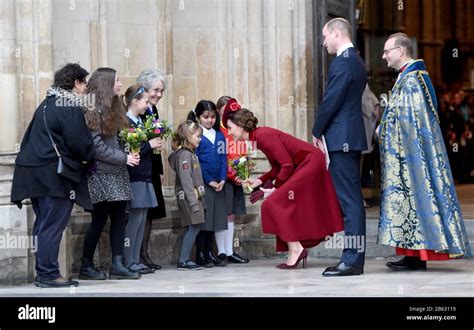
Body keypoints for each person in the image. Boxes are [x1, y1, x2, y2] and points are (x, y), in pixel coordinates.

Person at [377, 33, 471, 270]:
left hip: (411, 155)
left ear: (401, 50)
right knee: (412, 203)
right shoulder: (408, 77)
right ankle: (413, 255)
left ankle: (417, 256)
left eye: (387, 51)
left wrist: (384, 127)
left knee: (417, 199)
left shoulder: (411, 80)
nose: (383, 56)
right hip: (409, 155)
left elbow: (409, 120)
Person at [224, 107, 344, 269]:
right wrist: (259, 182)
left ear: (240, 125)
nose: (229, 132)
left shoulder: (263, 135)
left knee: (273, 203)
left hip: (310, 162)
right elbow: (277, 168)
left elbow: (286, 165)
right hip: (305, 163)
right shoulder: (258, 137)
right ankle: (296, 248)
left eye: (230, 128)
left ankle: (297, 249)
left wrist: (275, 188)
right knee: (281, 204)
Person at [11, 63, 94, 288]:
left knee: (43, 224)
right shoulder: (67, 103)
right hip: (54, 176)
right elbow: (80, 143)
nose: (86, 89)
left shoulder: (47, 103)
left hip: (35, 174)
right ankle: (48, 274)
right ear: (76, 83)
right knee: (52, 225)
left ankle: (44, 272)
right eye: (84, 83)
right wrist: (90, 155)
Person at [312, 17, 368, 276]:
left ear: (336, 33)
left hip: (342, 139)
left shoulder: (344, 62)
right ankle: (352, 259)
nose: (323, 43)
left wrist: (316, 130)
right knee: (351, 200)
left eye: (325, 37)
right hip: (347, 137)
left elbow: (331, 99)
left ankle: (352, 260)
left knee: (350, 202)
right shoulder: (354, 59)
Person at [80, 68, 140, 280]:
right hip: (101, 175)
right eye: (117, 80)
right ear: (106, 83)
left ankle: (118, 263)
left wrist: (129, 152)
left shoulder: (114, 108)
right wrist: (124, 158)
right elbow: (96, 147)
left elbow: (114, 142)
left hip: (118, 174)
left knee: (119, 219)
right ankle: (86, 265)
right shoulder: (93, 110)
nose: (120, 84)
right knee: (99, 220)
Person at [123, 85, 162, 274]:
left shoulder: (139, 121)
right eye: (145, 101)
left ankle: (136, 259)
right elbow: (129, 149)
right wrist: (150, 144)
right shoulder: (125, 122)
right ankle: (129, 260)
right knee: (135, 219)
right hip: (134, 176)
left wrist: (153, 145)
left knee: (142, 217)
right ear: (134, 101)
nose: (148, 105)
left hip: (145, 175)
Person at [188, 100, 228, 267]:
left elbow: (223, 159)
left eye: (212, 117)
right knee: (204, 221)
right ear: (198, 117)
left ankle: (210, 252)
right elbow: (195, 161)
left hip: (218, 184)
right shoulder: (196, 135)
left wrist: (223, 179)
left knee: (214, 220)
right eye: (205, 117)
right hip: (204, 184)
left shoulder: (219, 135)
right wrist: (209, 181)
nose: (209, 120)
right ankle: (201, 253)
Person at [137, 69, 167, 270]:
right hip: (138, 167)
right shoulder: (135, 108)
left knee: (151, 213)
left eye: (161, 91)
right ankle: (136, 255)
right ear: (144, 88)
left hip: (152, 167)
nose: (159, 94)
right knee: (139, 214)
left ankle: (144, 254)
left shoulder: (153, 110)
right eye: (156, 90)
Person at [215, 96, 250, 264]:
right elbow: (222, 156)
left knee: (231, 214)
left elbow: (243, 151)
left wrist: (244, 172)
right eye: (224, 112)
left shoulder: (238, 130)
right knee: (223, 213)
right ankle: (221, 251)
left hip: (237, 177)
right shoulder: (220, 131)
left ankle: (229, 250)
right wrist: (231, 174)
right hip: (225, 177)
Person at [168, 120, 206, 270]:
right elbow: (186, 182)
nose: (200, 139)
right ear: (189, 136)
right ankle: (183, 260)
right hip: (190, 198)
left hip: (195, 198)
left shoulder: (190, 154)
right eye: (198, 136)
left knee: (194, 226)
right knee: (195, 226)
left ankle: (185, 259)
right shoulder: (184, 155)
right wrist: (194, 203)